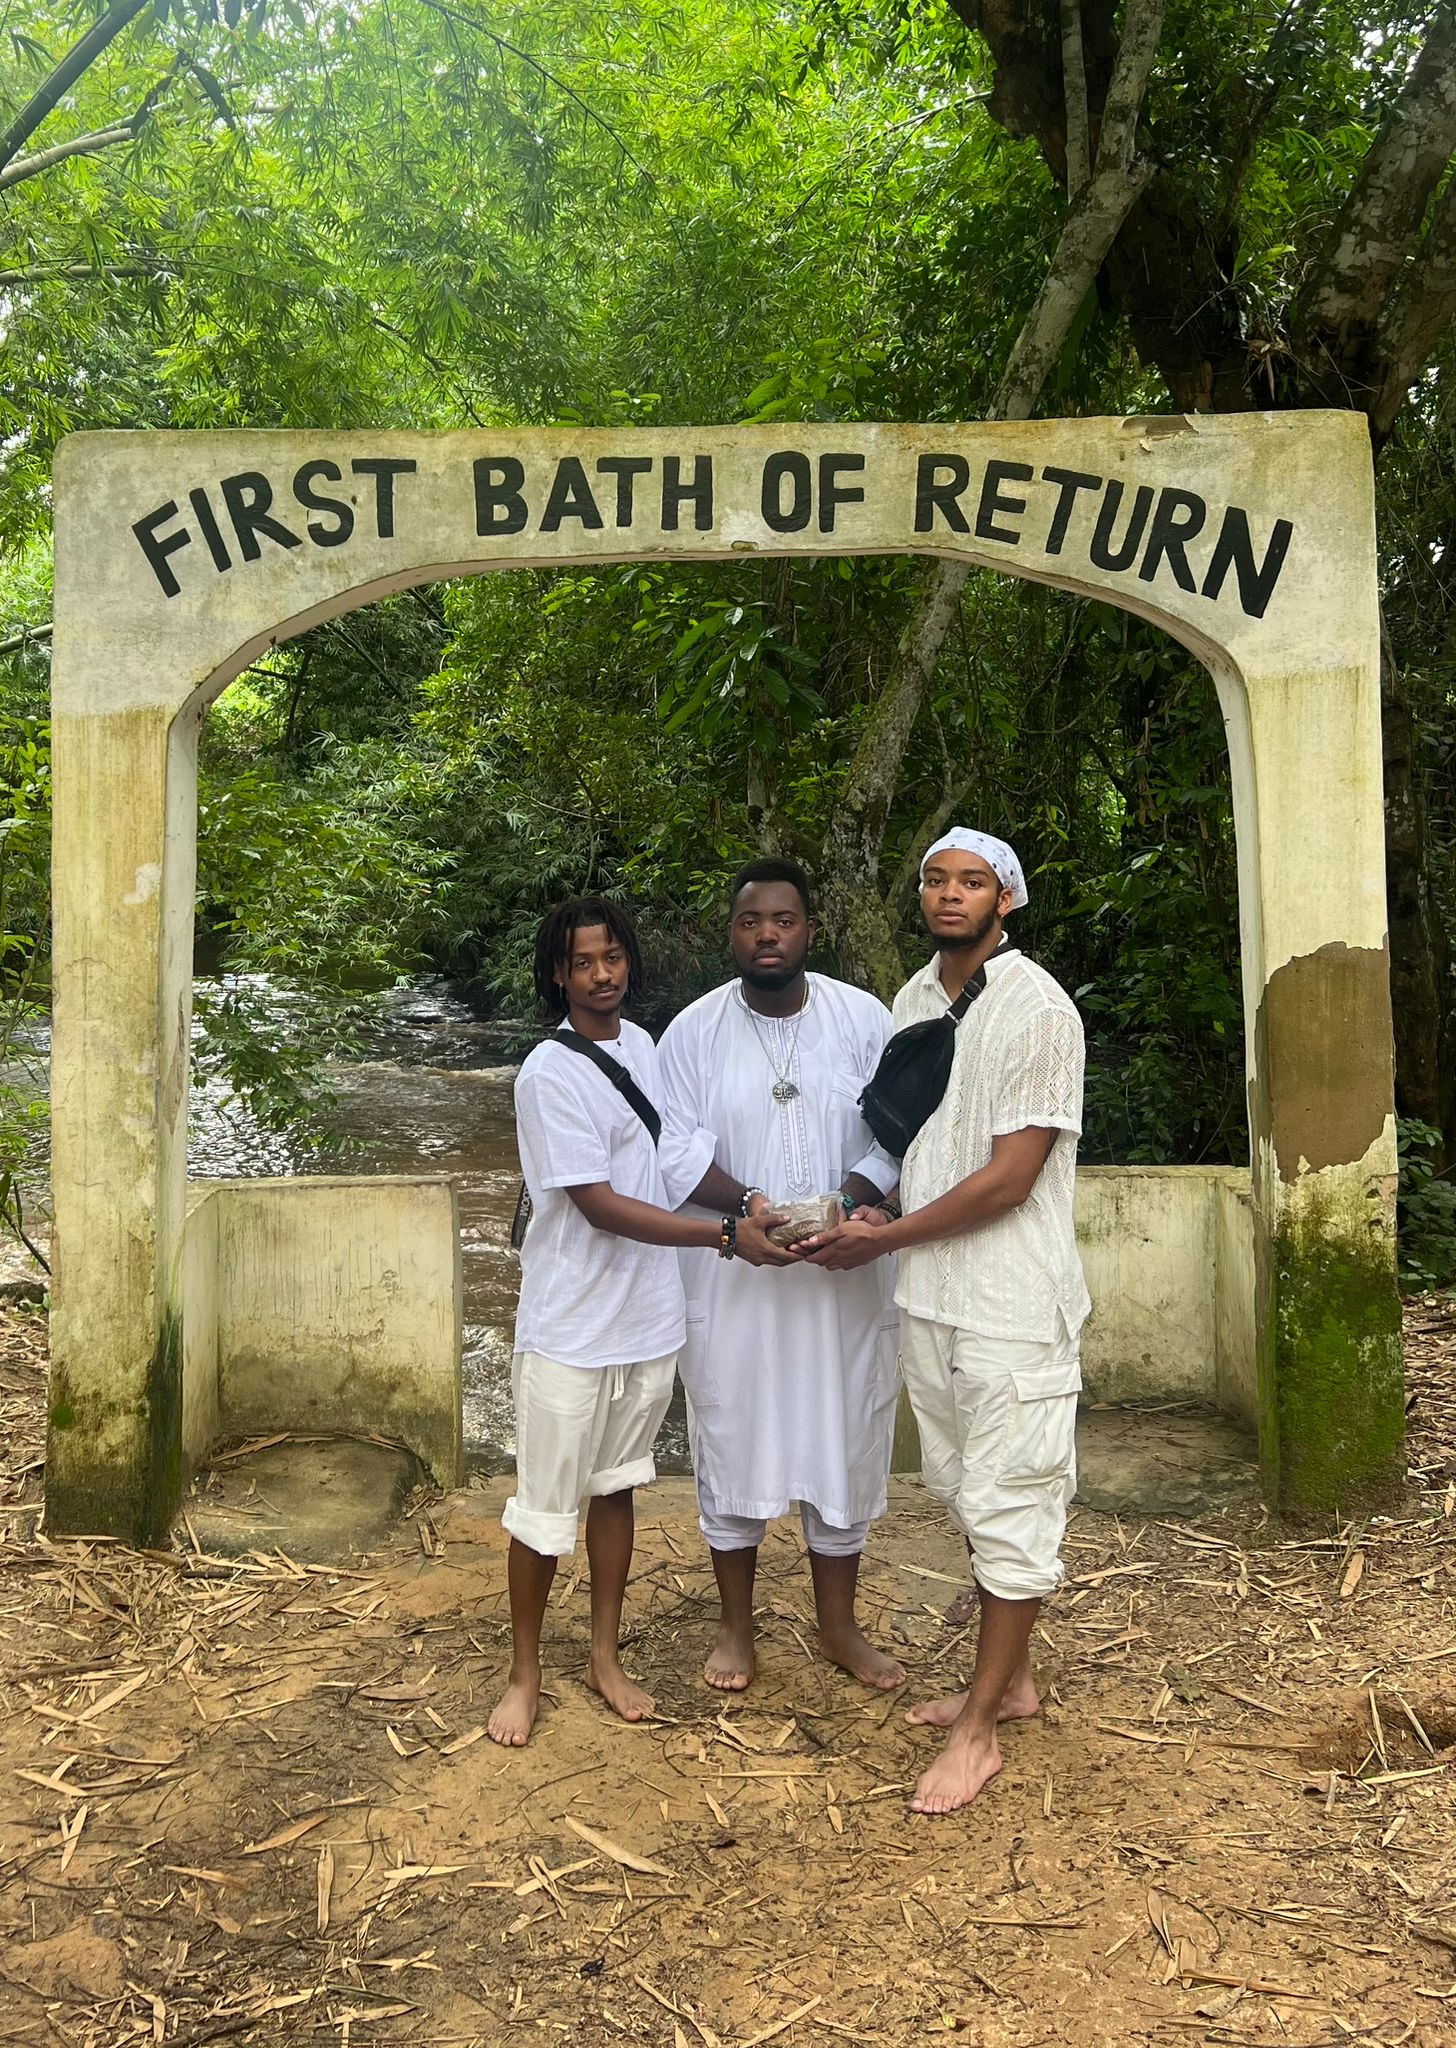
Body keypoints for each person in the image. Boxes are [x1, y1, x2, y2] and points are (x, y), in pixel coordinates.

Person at [801, 830, 1090, 1813]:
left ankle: (977, 1729)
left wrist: (882, 1242)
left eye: (972, 880)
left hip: (1009, 1300)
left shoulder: (1039, 1008)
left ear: (1006, 898)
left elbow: (1010, 1178)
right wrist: (870, 1210)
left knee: (1013, 1499)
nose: (950, 893)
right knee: (968, 1489)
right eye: (935, 877)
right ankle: (1008, 1680)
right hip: (929, 1294)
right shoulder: (914, 1002)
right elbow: (912, 1140)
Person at [489, 895, 784, 1748]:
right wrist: (726, 1237)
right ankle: (526, 1672)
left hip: (646, 1320)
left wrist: (754, 1202)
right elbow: (599, 1204)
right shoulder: (548, 1073)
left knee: (617, 1488)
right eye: (583, 962)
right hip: (573, 1325)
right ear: (558, 975)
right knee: (544, 1509)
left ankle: (604, 1656)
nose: (602, 974)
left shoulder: (645, 1047)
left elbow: (676, 1156)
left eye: (613, 957)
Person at [657, 858, 905, 1694]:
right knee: (732, 1432)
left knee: (843, 1438)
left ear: (809, 930)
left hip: (845, 1274)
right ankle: (736, 1630)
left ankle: (839, 1628)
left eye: (784, 921)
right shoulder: (692, 1031)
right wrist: (750, 1209)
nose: (768, 934)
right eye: (751, 921)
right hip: (739, 1277)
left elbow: (900, 1132)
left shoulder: (863, 1019)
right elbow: (676, 1149)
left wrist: (849, 1205)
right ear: (729, 934)